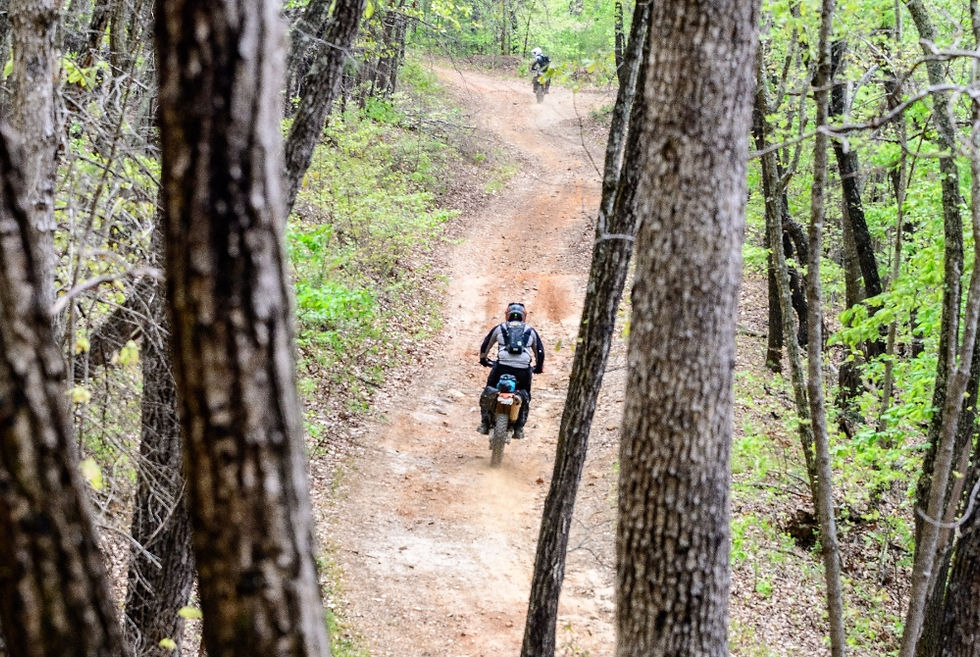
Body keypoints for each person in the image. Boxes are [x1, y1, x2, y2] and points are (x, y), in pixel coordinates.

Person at [477, 302, 545, 439]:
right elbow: (539, 351)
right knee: (525, 395)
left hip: (502, 367)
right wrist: (538, 367)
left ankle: (485, 424)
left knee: (488, 390)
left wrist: (484, 359)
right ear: (523, 316)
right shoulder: (530, 331)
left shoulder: (500, 328)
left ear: (507, 315)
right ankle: (519, 429)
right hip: (523, 371)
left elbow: (486, 345)